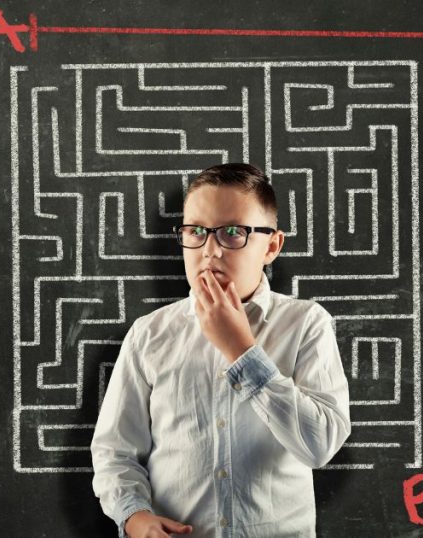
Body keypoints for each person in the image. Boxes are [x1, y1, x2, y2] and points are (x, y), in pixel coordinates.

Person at [90, 163, 351, 537]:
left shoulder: (306, 324)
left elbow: (320, 444)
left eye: (233, 232)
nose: (210, 251)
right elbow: (115, 452)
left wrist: (243, 352)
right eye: (195, 231)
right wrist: (134, 516)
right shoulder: (149, 334)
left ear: (272, 245)